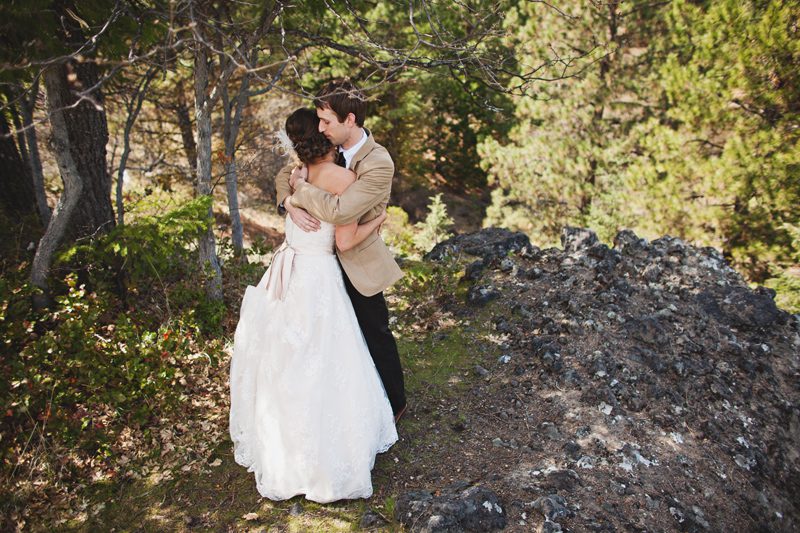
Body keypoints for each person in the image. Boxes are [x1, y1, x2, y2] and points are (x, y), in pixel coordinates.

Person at [229, 108, 398, 503]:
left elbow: (295, 190)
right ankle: (328, 450)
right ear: (323, 137)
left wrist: (293, 197)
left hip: (287, 273)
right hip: (319, 277)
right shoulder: (341, 178)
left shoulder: (298, 174)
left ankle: (282, 443)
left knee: (287, 358)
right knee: (327, 357)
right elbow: (344, 240)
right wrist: (377, 222)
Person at [276, 79, 408, 422]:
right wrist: (289, 202)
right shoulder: (323, 147)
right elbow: (282, 175)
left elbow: (341, 211)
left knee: (374, 332)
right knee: (332, 342)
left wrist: (302, 189)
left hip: (357, 260)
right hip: (318, 265)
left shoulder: (379, 162)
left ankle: (394, 405)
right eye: (318, 120)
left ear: (349, 120)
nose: (320, 128)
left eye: (326, 121)